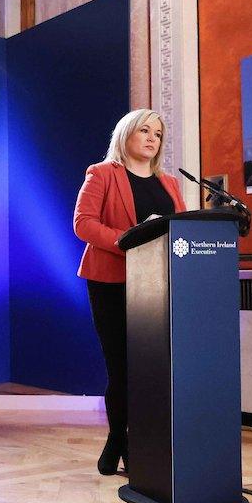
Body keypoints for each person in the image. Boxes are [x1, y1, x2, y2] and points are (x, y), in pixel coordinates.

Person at [72, 109, 186, 476]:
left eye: (158, 133)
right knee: (121, 368)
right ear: (126, 135)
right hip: (111, 283)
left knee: (150, 368)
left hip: (159, 284)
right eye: (144, 130)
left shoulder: (169, 183)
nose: (152, 138)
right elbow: (83, 223)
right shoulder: (102, 173)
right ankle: (117, 440)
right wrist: (127, 240)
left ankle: (145, 442)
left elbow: (181, 228)